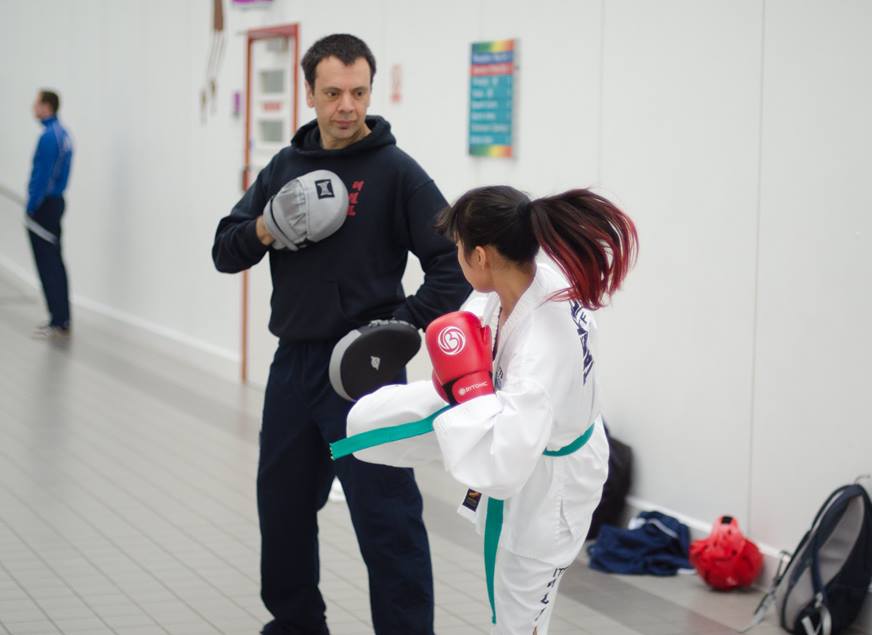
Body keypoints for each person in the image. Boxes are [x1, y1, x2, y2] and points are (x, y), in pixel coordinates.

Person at [211, 34, 470, 635]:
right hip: (294, 369)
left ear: (370, 91)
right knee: (281, 511)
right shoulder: (282, 168)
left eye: (357, 92)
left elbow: (452, 263)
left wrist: (398, 326)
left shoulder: (396, 172)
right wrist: (267, 231)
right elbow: (225, 249)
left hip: (367, 378)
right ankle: (296, 625)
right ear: (310, 93)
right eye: (332, 93)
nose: (346, 105)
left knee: (387, 520)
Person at [344, 185, 638, 634]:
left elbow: (501, 465)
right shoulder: (526, 279)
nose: (457, 258)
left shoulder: (539, 352)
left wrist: (471, 392)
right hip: (518, 428)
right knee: (365, 423)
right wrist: (460, 384)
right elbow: (477, 339)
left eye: (460, 249)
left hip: (547, 481)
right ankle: (343, 438)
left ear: (481, 256)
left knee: (518, 620)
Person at [27, 89, 73, 339]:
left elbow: (44, 176)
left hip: (45, 206)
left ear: (46, 106)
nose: (33, 107)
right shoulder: (63, 135)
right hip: (53, 204)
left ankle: (58, 319)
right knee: (54, 261)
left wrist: (32, 205)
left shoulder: (50, 136)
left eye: (36, 103)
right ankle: (61, 318)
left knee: (48, 263)